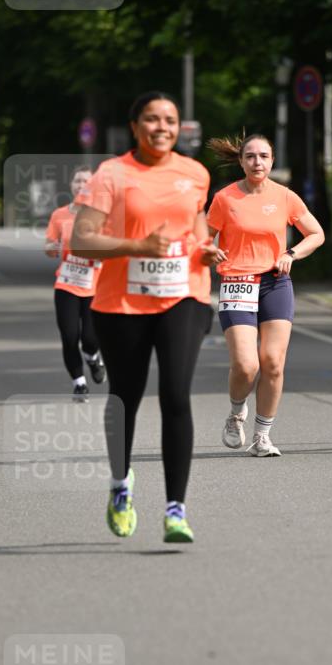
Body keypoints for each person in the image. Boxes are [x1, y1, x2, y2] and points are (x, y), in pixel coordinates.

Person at [71, 91, 215, 543]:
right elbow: (81, 239)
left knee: (175, 393)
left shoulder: (195, 173)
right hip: (121, 304)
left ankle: (176, 510)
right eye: (152, 119)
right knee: (125, 397)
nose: (162, 127)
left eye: (170, 120)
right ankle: (120, 484)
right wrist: (137, 246)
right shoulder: (111, 174)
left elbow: (196, 225)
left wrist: (206, 249)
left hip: (183, 295)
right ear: (135, 127)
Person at [206, 134, 324, 456]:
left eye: (263, 156)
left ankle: (262, 436)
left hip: (275, 282)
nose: (257, 162)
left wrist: (292, 253)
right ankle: (236, 413)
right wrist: (209, 250)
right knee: (246, 365)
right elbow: (202, 237)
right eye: (250, 156)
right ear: (241, 161)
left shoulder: (285, 196)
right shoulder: (225, 198)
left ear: (272, 161)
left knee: (272, 362)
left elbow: (316, 233)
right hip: (237, 281)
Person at [44, 166, 106, 400]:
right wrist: (53, 248)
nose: (81, 185)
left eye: (86, 181)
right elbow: (49, 246)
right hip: (66, 284)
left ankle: (93, 357)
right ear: (71, 185)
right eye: (77, 181)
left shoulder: (102, 216)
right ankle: (79, 384)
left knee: (90, 339)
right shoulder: (59, 215)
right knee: (69, 337)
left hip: (95, 286)